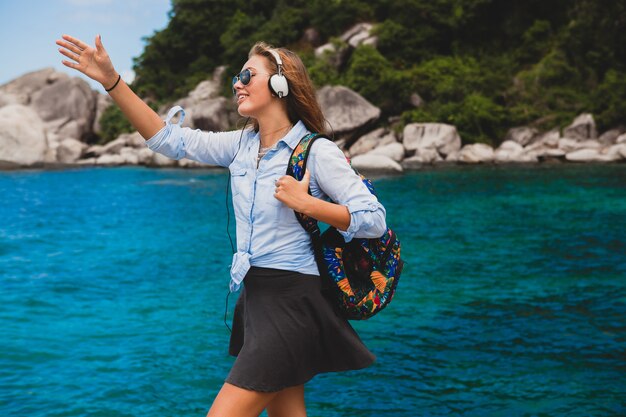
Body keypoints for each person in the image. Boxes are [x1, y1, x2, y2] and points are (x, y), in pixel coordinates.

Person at [56, 34, 387, 417]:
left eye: (248, 75)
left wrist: (309, 204)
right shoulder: (242, 145)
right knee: (287, 413)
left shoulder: (318, 151)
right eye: (236, 76)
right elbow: (168, 139)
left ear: (280, 85)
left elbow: (374, 220)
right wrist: (112, 81)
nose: (237, 83)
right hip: (257, 296)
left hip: (292, 300)